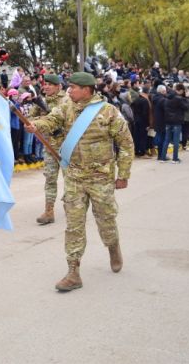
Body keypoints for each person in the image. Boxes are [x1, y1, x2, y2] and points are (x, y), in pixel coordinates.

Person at [26, 72, 134, 292]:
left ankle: (113, 245)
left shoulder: (108, 112)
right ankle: (73, 272)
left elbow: (125, 144)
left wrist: (123, 175)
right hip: (74, 177)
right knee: (73, 225)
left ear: (87, 89)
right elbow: (51, 119)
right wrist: (36, 125)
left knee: (106, 220)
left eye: (73, 87)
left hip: (101, 179)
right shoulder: (66, 108)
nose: (69, 91)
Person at [29, 74, 66, 225]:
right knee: (50, 179)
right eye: (46, 84)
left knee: (71, 179)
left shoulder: (66, 101)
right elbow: (30, 118)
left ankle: (73, 206)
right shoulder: (41, 101)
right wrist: (35, 122)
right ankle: (49, 211)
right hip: (49, 146)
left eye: (51, 84)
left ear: (59, 87)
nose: (47, 86)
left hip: (66, 147)